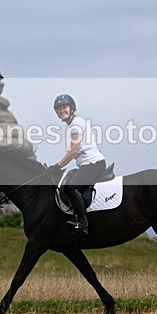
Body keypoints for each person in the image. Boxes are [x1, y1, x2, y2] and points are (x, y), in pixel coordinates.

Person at [48, 94, 106, 234]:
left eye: (64, 108)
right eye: (59, 109)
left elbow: (74, 150)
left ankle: (82, 222)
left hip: (93, 163)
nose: (62, 111)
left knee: (71, 188)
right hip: (87, 164)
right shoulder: (72, 125)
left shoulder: (75, 124)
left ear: (72, 108)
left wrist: (57, 166)